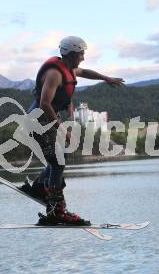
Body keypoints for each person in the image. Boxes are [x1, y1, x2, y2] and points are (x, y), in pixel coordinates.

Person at [19, 36, 125, 226]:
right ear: (71, 54)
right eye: (81, 54)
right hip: (37, 121)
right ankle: (56, 210)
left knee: (58, 159)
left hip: (43, 121)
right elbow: (44, 103)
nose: (83, 57)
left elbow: (84, 72)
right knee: (58, 161)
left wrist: (105, 78)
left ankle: (39, 189)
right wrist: (62, 129)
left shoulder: (68, 68)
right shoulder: (55, 74)